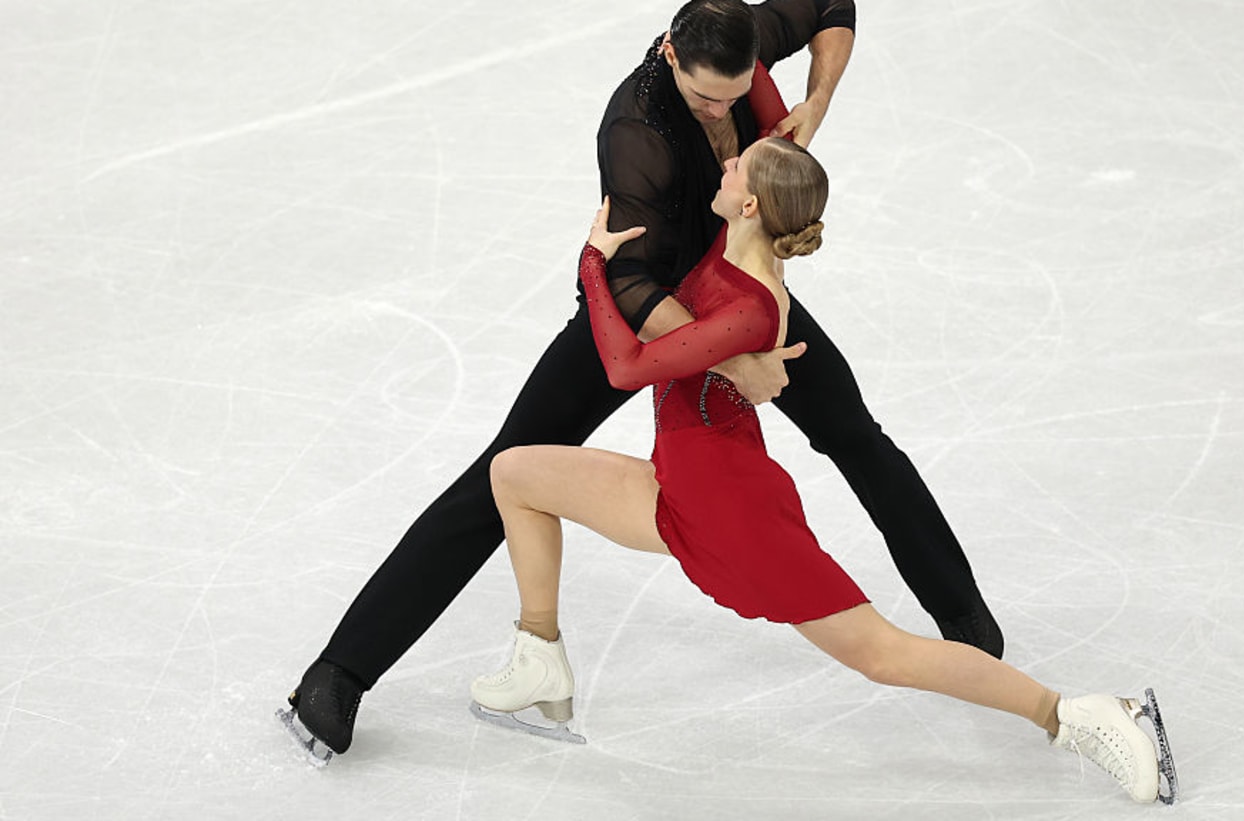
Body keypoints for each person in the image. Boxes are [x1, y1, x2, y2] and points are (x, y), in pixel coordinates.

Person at [280, 0, 1003, 765]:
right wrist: (729, 361)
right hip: (639, 317)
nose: (722, 112)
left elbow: (831, 7)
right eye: (705, 99)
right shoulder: (636, 130)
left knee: (856, 435)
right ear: (670, 55)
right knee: (506, 469)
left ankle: (966, 623)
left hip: (735, 304)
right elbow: (628, 282)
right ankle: (339, 673)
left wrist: (816, 102)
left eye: (734, 95)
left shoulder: (736, 39)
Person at [470, 139, 1178, 804]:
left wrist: (593, 265)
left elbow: (627, 367)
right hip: (682, 482)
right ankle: (540, 656)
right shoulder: (734, 243)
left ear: (751, 204)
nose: (726, 165)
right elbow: (772, 131)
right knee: (517, 475)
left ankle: (1080, 715)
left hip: (727, 509)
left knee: (882, 654)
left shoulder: (750, 304)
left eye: (738, 166)